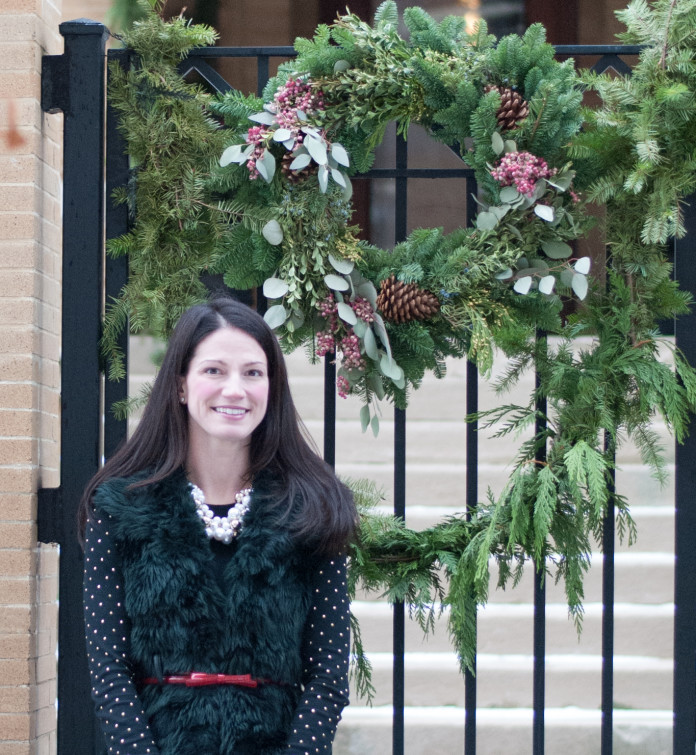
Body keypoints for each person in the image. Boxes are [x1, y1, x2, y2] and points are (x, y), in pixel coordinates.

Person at [79, 296, 358, 755]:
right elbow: (109, 671)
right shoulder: (119, 511)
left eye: (252, 373)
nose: (235, 390)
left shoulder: (313, 510)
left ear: (271, 386)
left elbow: (327, 674)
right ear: (181, 386)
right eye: (214, 371)